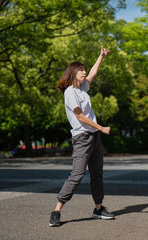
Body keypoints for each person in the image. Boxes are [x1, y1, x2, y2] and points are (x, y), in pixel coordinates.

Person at [49, 46, 114, 227]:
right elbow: (80, 117)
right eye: (81, 70)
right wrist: (101, 127)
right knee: (77, 175)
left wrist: (100, 56)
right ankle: (56, 211)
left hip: (94, 138)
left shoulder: (83, 88)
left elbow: (93, 73)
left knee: (97, 174)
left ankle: (98, 209)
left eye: (84, 69)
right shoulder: (70, 92)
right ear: (72, 73)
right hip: (82, 138)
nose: (84, 72)